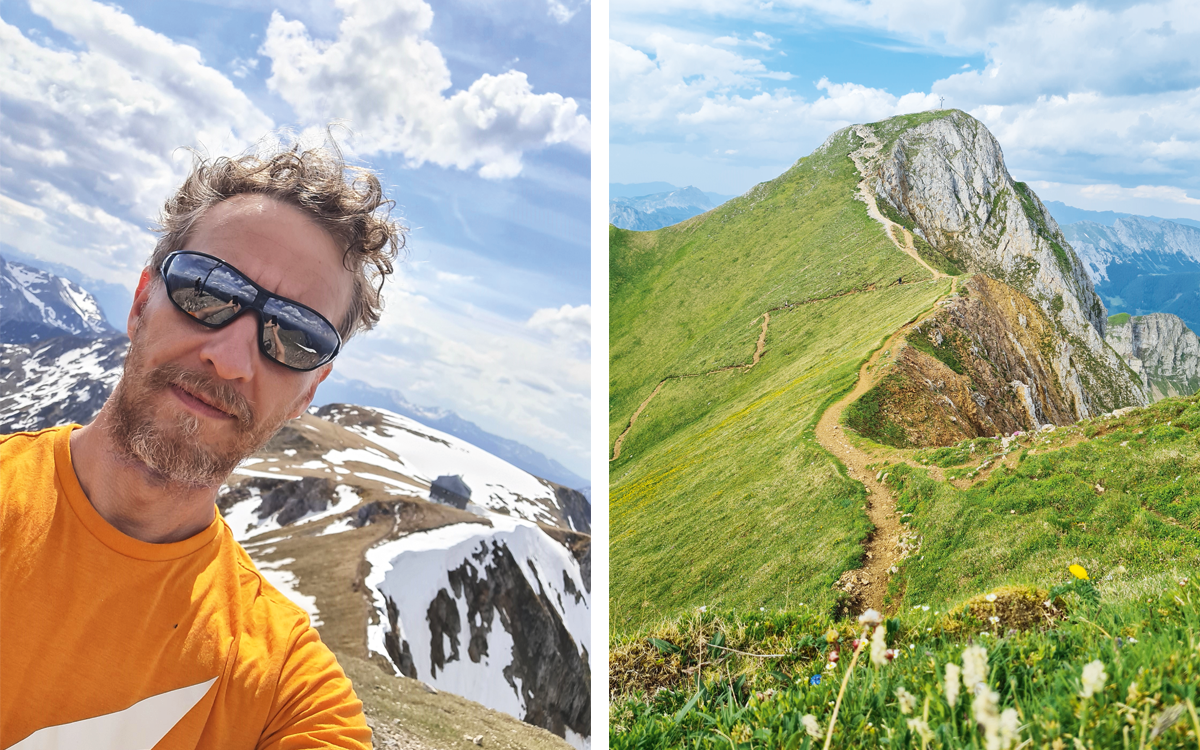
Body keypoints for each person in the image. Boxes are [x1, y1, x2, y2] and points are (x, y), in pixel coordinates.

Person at [0, 139, 402, 748]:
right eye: (208, 290)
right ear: (142, 302)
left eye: (296, 336)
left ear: (309, 392)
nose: (231, 358)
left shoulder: (287, 689)